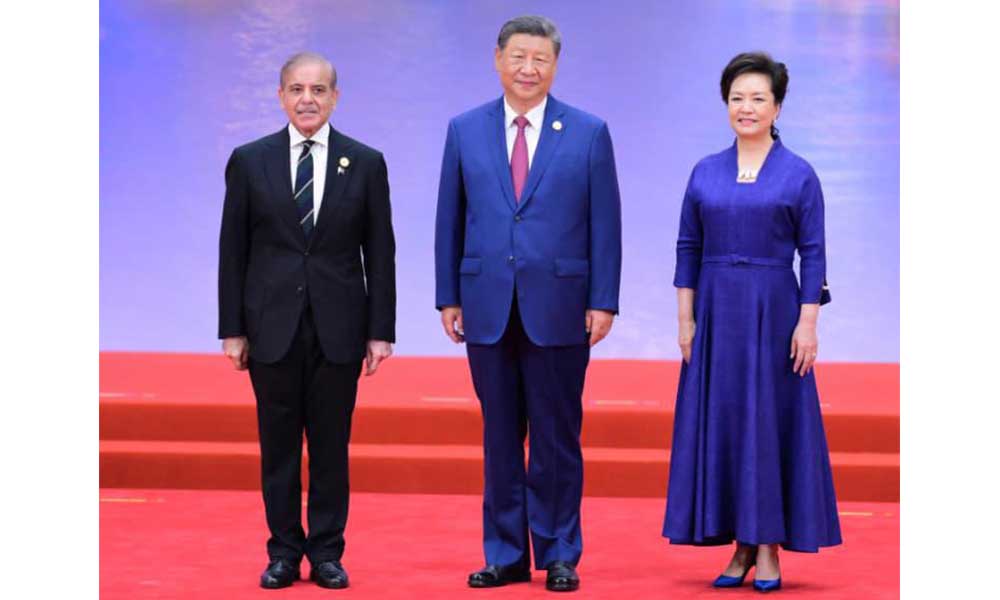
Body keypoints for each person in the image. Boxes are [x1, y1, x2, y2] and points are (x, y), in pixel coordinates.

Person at [434, 15, 622, 593]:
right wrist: (448, 295)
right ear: (497, 59)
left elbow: (605, 223)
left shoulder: (588, 132)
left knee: (556, 438)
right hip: (486, 303)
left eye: (540, 58)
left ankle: (560, 552)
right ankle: (506, 554)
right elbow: (449, 219)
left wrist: (603, 300)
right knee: (499, 437)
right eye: (518, 56)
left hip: (561, 305)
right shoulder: (465, 130)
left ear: (555, 65)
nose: (528, 68)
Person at [662, 52, 841, 592]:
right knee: (726, 422)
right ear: (726, 105)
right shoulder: (705, 170)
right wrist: (686, 320)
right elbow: (687, 247)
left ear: (777, 107)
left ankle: (767, 547)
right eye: (737, 98)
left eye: (758, 98)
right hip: (716, 312)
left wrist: (807, 324)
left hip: (774, 311)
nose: (747, 107)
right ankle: (738, 543)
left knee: (766, 423)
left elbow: (813, 254)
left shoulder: (798, 173)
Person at [217, 51, 396, 590]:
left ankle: (326, 553)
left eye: (318, 90)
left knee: (330, 446)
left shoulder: (365, 162)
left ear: (335, 98)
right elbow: (232, 251)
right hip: (270, 327)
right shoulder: (250, 161)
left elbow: (380, 252)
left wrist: (380, 330)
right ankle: (282, 552)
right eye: (297, 89)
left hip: (339, 327)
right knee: (278, 448)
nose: (307, 99)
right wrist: (232, 328)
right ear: (280, 97)